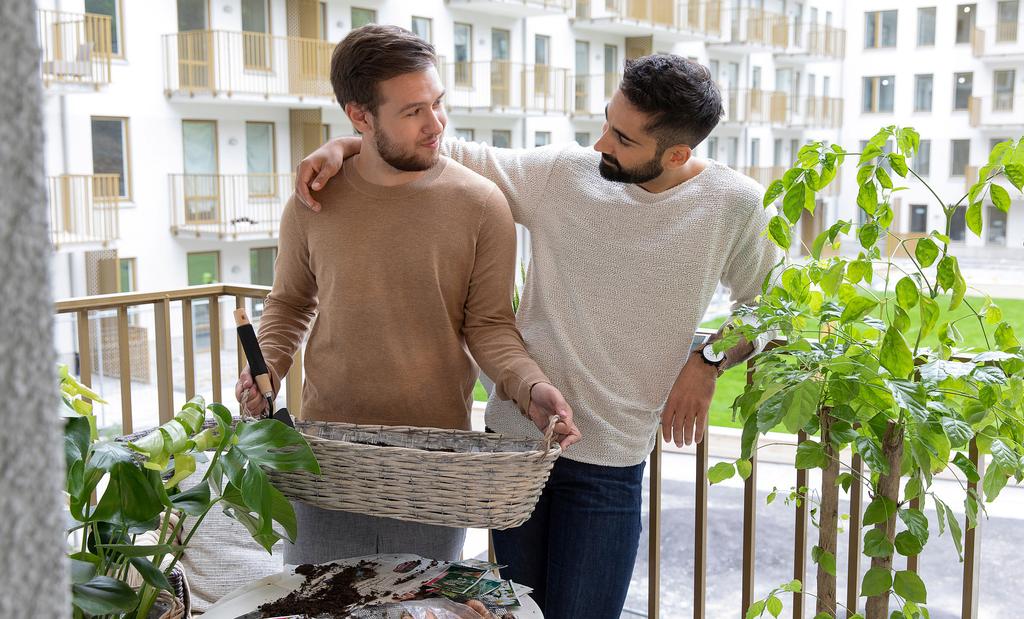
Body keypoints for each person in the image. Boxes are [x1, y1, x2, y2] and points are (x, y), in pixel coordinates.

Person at [294, 54, 782, 618]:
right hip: (516, 448)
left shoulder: (735, 206)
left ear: (676, 154)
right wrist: (344, 147)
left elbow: (778, 304)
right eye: (606, 121)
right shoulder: (561, 174)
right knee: (510, 614)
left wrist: (709, 359)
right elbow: (436, 148)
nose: (600, 142)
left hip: (611, 462)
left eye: (621, 137)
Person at [234, 24, 581, 567]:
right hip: (326, 457)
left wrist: (530, 386)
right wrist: (268, 366)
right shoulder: (313, 200)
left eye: (438, 103)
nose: (436, 123)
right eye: (413, 111)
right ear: (360, 116)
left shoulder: (481, 203)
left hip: (432, 467)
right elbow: (289, 303)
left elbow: (489, 325)